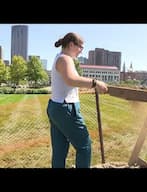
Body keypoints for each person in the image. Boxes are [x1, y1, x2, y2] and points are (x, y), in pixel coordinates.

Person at [46, 32, 108, 168]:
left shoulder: (60, 58)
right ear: (72, 45)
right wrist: (95, 83)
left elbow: (67, 84)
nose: (81, 51)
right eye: (81, 47)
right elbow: (71, 80)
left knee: (60, 151)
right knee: (84, 146)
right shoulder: (65, 59)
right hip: (66, 108)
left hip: (56, 107)